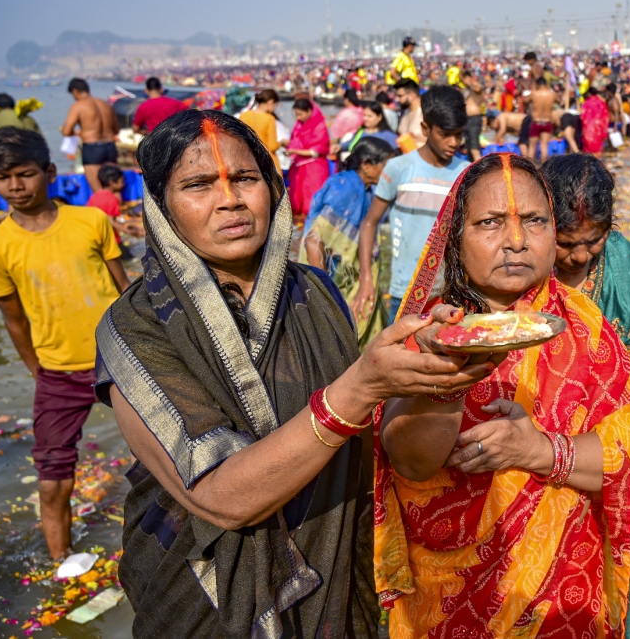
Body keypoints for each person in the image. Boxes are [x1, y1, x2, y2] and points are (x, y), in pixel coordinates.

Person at [97, 109, 489, 638]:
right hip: (200, 595)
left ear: (273, 187)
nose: (229, 199)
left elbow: (375, 444)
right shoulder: (135, 327)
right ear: (161, 207)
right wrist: (361, 388)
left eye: (244, 178)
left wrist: (428, 370)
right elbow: (218, 496)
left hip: (334, 567)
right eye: (197, 185)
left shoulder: (318, 292)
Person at [373, 152, 630, 637]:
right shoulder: (427, 332)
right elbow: (411, 465)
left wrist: (538, 450)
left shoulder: (587, 330)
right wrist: (448, 379)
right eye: (490, 223)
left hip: (561, 601)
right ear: (454, 237)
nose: (518, 241)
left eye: (534, 221)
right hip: (449, 599)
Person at [0, 128, 129, 560]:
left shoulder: (90, 222)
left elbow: (126, 292)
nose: (16, 187)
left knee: (163, 453)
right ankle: (61, 565)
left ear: (50, 171)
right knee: (52, 478)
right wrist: (37, 370)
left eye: (25, 174)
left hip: (118, 361)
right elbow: (14, 320)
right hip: (57, 373)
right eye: (3, 178)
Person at [541, 153, 630, 637]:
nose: (579, 257)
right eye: (567, 244)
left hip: (607, 445)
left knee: (618, 566)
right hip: (540, 441)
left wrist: (627, 367)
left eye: (593, 241)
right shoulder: (525, 264)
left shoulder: (625, 268)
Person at [351, 86, 469, 323]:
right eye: (445, 134)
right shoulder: (399, 169)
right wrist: (366, 280)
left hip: (452, 294)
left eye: (459, 134)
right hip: (404, 292)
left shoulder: (467, 172)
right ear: (425, 129)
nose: (454, 142)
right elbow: (369, 223)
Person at [302, 136, 395, 344]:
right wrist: (324, 292)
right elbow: (314, 239)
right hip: (334, 279)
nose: (390, 174)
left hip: (349, 277)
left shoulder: (367, 190)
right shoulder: (346, 188)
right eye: (386, 166)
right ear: (367, 165)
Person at [61, 78, 120, 193]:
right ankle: (119, 210)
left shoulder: (78, 106)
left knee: (98, 189)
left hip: (92, 148)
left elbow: (66, 131)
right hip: (110, 146)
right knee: (114, 187)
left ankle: (103, 210)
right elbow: (116, 130)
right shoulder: (105, 104)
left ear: (75, 91)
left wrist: (79, 133)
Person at [285, 98, 332, 219]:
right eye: (296, 114)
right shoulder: (299, 125)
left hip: (315, 166)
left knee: (312, 195)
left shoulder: (319, 125)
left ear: (310, 111)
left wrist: (295, 151)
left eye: (301, 114)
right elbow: (294, 141)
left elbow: (317, 150)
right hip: (299, 165)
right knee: (297, 196)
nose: (298, 117)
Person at [88, 164, 143, 248]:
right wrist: (129, 231)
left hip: (93, 235)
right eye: (122, 181)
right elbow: (110, 221)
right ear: (112, 183)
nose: (123, 184)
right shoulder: (112, 199)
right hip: (109, 238)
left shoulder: (94, 196)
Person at [238, 89, 282, 154]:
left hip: (247, 155)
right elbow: (273, 146)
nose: (275, 108)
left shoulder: (244, 115)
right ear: (271, 102)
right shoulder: (269, 118)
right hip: (265, 157)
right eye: (275, 105)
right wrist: (281, 143)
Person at [526, 76, 557, 160]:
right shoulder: (552, 94)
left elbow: (525, 100)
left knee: (532, 146)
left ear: (537, 84)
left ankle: (530, 168)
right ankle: (544, 170)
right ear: (546, 84)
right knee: (544, 147)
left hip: (536, 121)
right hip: (547, 122)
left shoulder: (534, 94)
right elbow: (559, 101)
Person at [393, 78, 425, 149]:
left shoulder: (426, 114)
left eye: (400, 96)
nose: (397, 99)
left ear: (411, 95)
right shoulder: (405, 113)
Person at [581, 86, 610, 156]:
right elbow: (606, 117)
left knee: (588, 150)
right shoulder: (602, 102)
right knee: (598, 149)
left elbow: (582, 116)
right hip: (599, 128)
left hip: (589, 128)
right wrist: (605, 129)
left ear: (590, 93)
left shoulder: (586, 103)